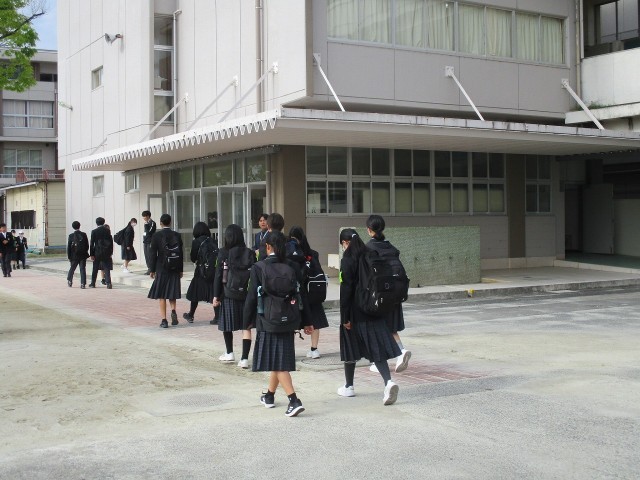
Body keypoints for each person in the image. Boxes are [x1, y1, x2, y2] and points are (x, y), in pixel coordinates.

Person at [243, 230, 313, 417]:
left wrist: (246, 322)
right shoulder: (293, 266)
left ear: (267, 247)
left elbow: (251, 297)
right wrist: (307, 321)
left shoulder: (259, 267)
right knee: (278, 359)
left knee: (278, 362)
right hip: (290, 319)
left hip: (267, 320)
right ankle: (269, 395)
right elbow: (302, 295)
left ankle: (294, 400)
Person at [337, 228, 401, 405]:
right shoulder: (371, 254)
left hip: (355, 312)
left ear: (345, 243)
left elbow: (345, 290)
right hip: (375, 308)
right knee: (376, 348)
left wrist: (344, 317)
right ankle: (388, 382)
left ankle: (349, 386)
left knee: (349, 346)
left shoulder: (348, 260)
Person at [365, 215, 411, 373]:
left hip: (378, 294)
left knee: (375, 327)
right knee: (390, 327)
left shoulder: (369, 248)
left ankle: (380, 362)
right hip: (395, 293)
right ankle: (401, 351)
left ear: (369, 230)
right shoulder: (391, 247)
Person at [212, 224, 255, 367]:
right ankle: (244, 359)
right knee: (246, 327)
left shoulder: (223, 252)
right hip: (246, 295)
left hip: (229, 293)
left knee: (227, 324)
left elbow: (219, 275)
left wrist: (216, 295)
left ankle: (229, 352)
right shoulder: (250, 253)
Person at [286, 226, 329, 359]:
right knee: (315, 320)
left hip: (297, 292)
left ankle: (289, 352)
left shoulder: (290, 254)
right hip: (312, 292)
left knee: (291, 322)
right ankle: (314, 349)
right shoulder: (312, 253)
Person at [148, 213, 183, 328]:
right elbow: (180, 253)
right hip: (174, 267)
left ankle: (164, 320)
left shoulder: (156, 236)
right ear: (170, 222)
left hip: (161, 267)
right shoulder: (177, 235)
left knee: (162, 294)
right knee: (172, 291)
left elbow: (153, 254)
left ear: (161, 223)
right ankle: (173, 310)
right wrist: (180, 269)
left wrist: (152, 269)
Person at [184, 222, 216, 324]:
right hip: (212, 271)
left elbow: (193, 258)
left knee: (195, 293)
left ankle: (191, 314)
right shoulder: (212, 240)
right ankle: (217, 316)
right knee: (213, 292)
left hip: (200, 271)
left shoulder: (196, 242)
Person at [89, 217, 113, 288]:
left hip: (97, 252)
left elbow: (92, 244)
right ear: (103, 222)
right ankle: (108, 283)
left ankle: (93, 283)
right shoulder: (107, 230)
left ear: (96, 223)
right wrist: (111, 252)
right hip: (106, 252)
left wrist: (91, 254)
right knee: (106, 268)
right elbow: (110, 242)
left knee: (95, 268)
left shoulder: (94, 231)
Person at [67, 221, 89, 288]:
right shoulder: (84, 234)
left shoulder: (71, 236)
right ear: (79, 226)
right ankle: (83, 283)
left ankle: (70, 280)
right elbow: (87, 245)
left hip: (74, 255)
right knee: (82, 269)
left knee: (72, 268)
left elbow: (69, 247)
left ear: (73, 227)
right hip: (82, 255)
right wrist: (85, 252)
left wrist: (69, 256)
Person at [142, 211, 156, 275]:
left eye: (144, 216)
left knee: (150, 255)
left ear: (148, 216)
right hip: (145, 241)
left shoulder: (152, 223)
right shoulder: (146, 223)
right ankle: (149, 268)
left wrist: (146, 225)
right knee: (146, 255)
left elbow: (149, 232)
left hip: (150, 241)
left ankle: (151, 269)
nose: (143, 218)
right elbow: (145, 233)